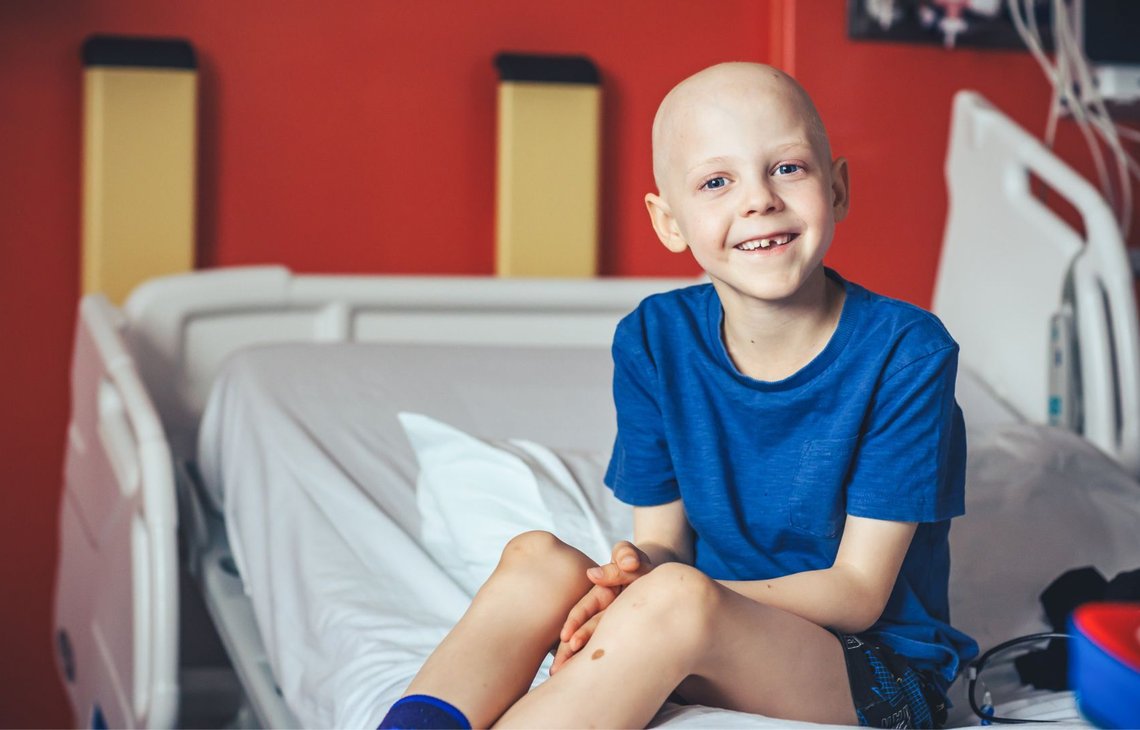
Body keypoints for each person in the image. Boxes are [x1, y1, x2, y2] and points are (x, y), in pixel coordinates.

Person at [379, 61, 978, 730]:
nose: (759, 200)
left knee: (674, 602)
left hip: (873, 669)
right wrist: (635, 574)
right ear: (669, 221)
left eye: (787, 168)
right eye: (717, 182)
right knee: (535, 559)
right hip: (705, 628)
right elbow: (663, 545)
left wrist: (658, 596)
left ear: (836, 188)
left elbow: (859, 593)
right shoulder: (654, 340)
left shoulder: (907, 351)